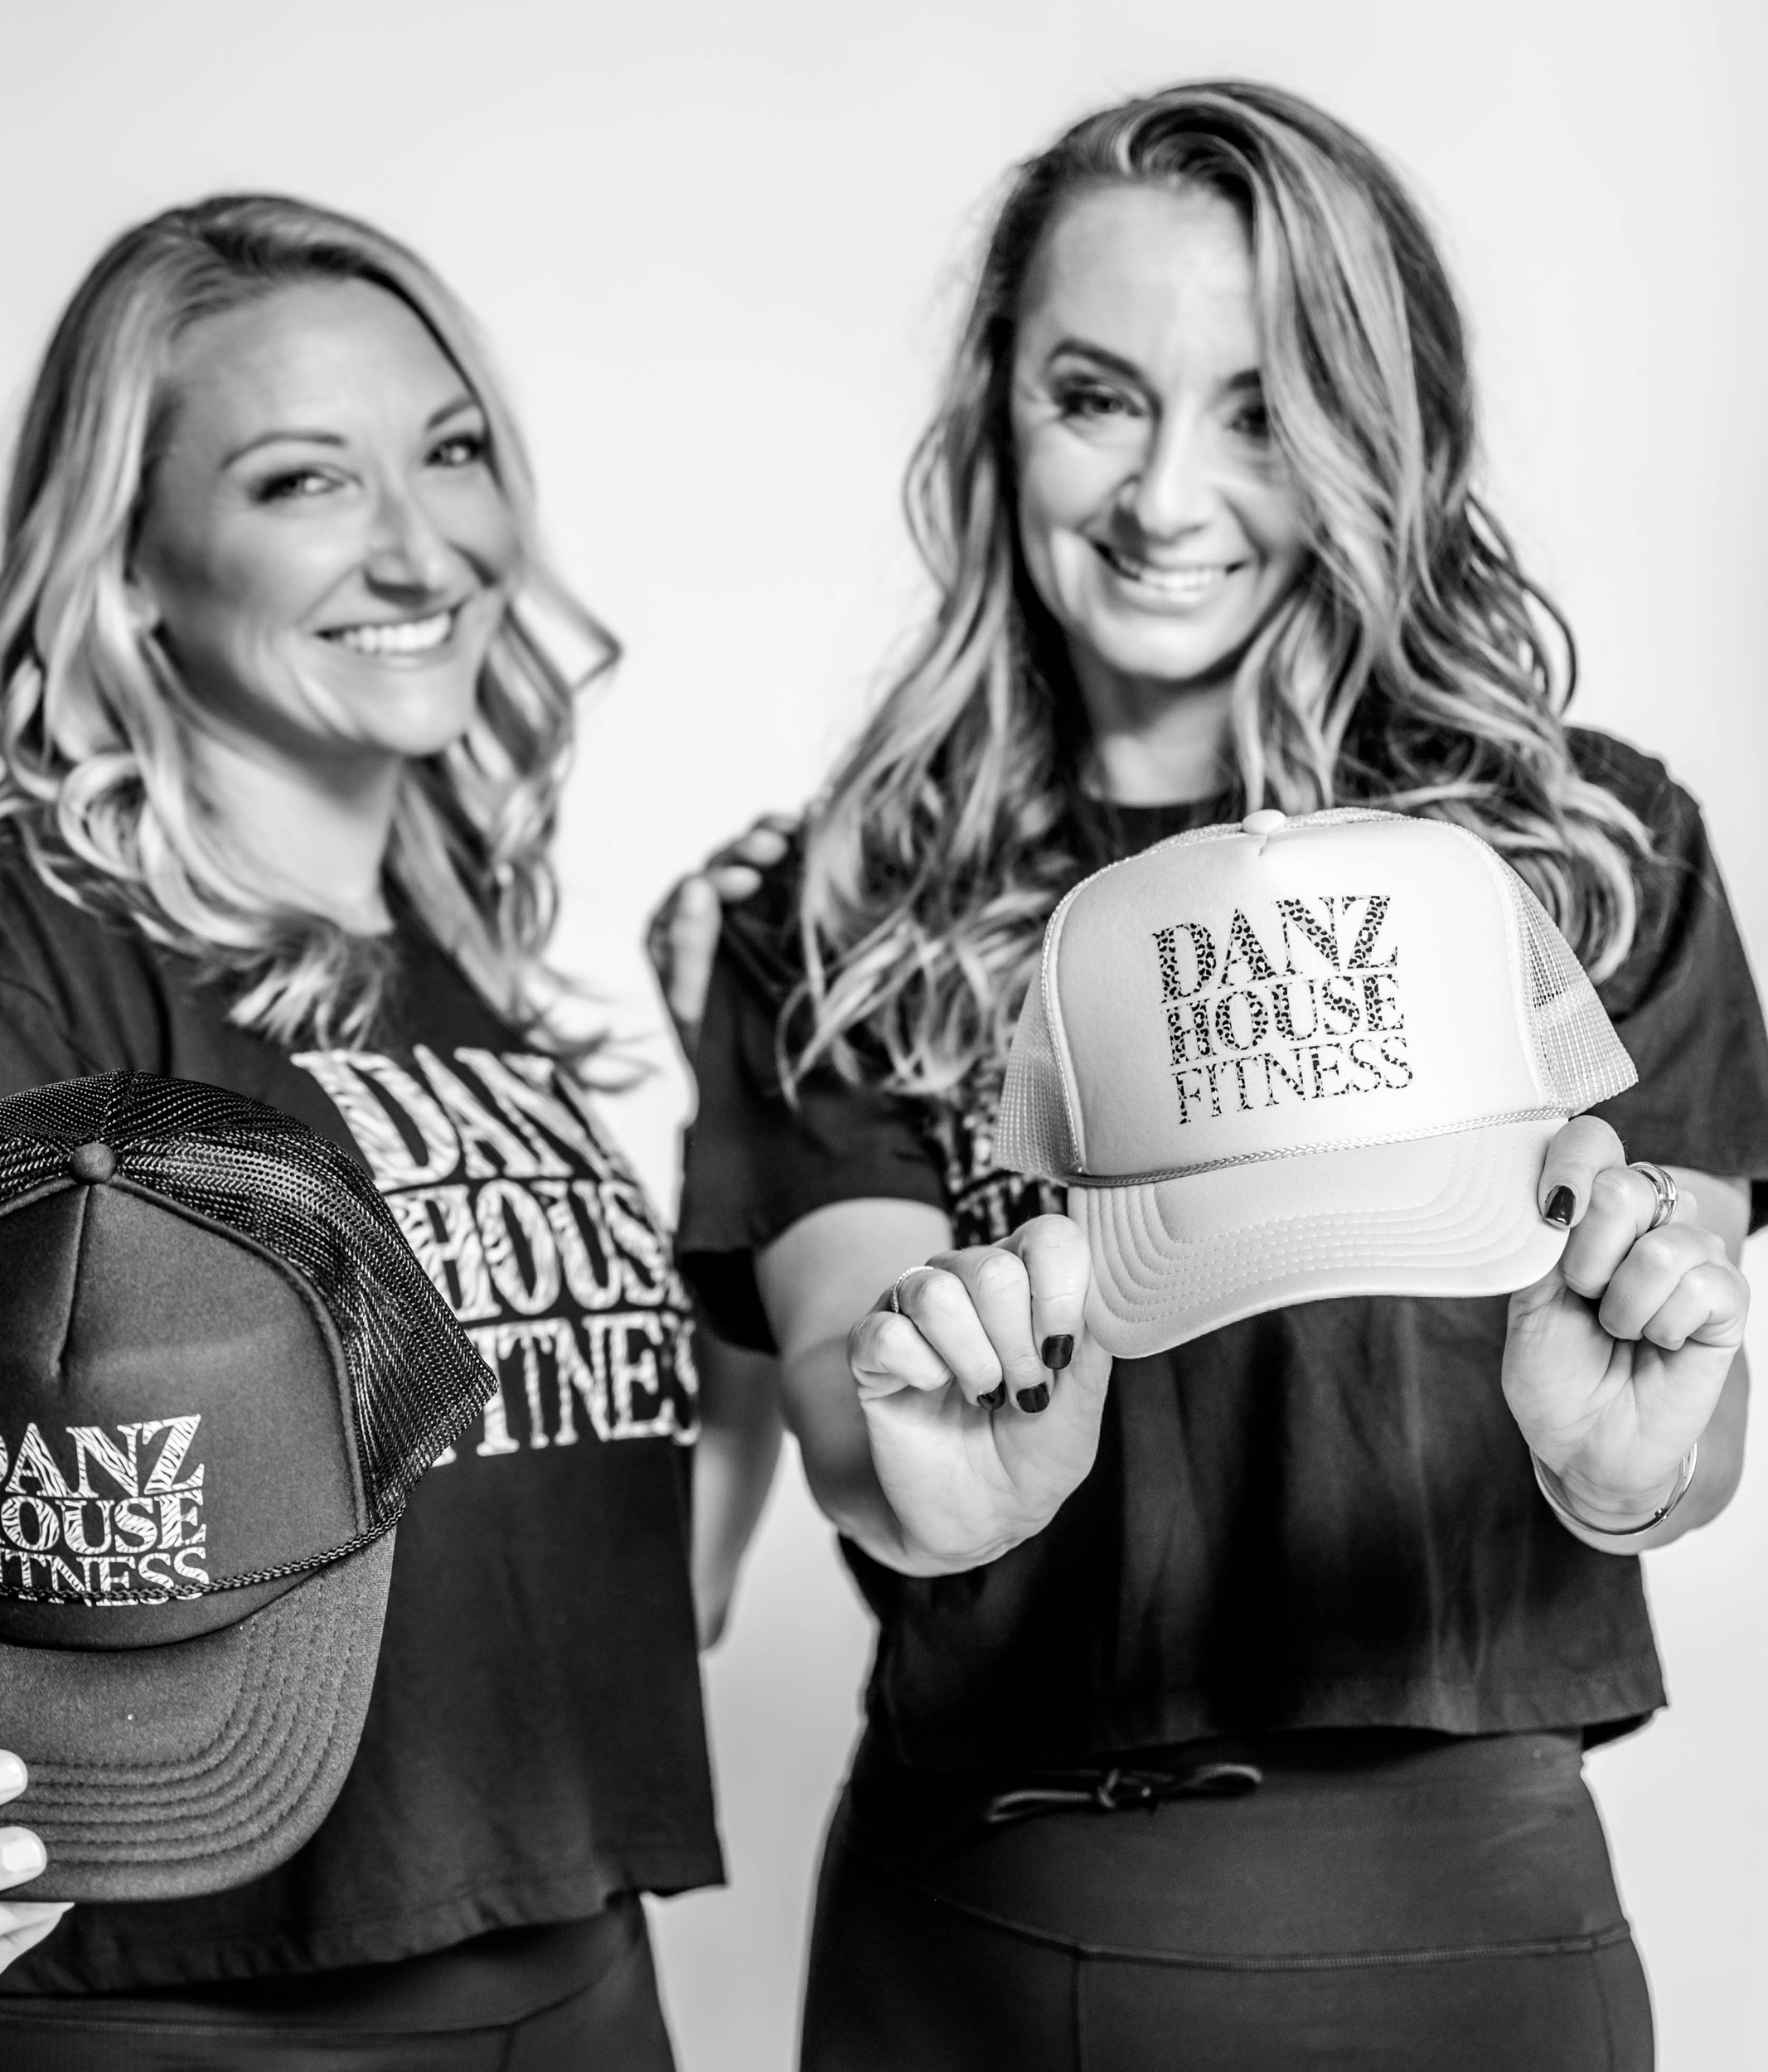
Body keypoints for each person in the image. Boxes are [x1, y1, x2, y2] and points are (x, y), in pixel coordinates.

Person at [672, 82, 1766, 2070]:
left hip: (1473, 1930)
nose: (1167, 497)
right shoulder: (842, 904)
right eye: (1094, 395)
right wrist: (930, 1480)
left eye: (1259, 409)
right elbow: (851, 1397)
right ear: (994, 414)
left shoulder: (1588, 854)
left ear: (1380, 425)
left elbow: (1679, 1400)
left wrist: (1631, 1464)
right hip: (985, 1924)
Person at [0, 193, 781, 2070]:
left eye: (453, 451)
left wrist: (743, 1105)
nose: (423, 544)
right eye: (305, 481)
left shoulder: (453, 966)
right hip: (208, 2022)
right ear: (135, 558)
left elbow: (661, 1575)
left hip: (569, 1962)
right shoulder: (8, 972)